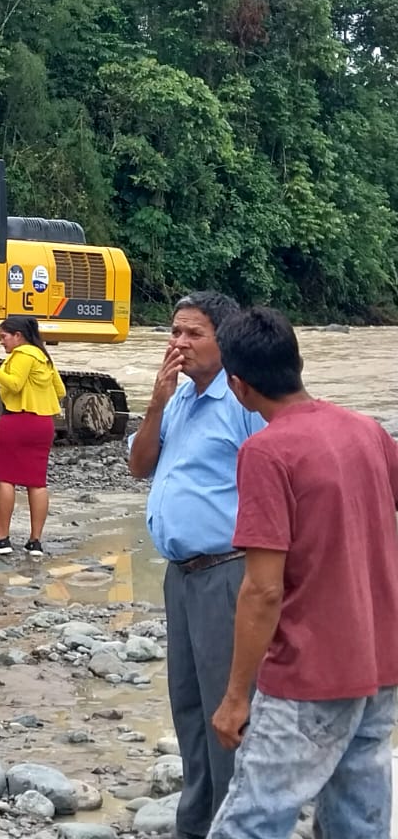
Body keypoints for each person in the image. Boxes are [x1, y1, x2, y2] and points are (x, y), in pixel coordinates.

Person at [206, 307, 398, 839]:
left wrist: (236, 697)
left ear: (238, 386)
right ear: (299, 362)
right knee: (359, 820)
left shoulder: (266, 452)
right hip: (380, 663)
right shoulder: (367, 431)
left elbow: (263, 590)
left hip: (309, 672)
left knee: (252, 819)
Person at [127, 290, 266, 839]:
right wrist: (156, 403)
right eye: (174, 332)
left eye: (193, 334)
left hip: (227, 572)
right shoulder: (180, 397)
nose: (179, 343)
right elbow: (140, 466)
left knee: (229, 708)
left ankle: (237, 823)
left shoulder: (244, 404)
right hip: (181, 576)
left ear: (223, 341)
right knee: (188, 703)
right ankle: (197, 821)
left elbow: (278, 483)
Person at [0, 314, 66, 556]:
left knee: (6, 478)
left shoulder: (22, 354)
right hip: (43, 423)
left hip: (17, 420)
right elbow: (60, 390)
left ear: (18, 335)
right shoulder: (43, 355)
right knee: (37, 481)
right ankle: (35, 542)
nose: (2, 342)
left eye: (4, 336)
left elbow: (14, 384)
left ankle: (2, 539)